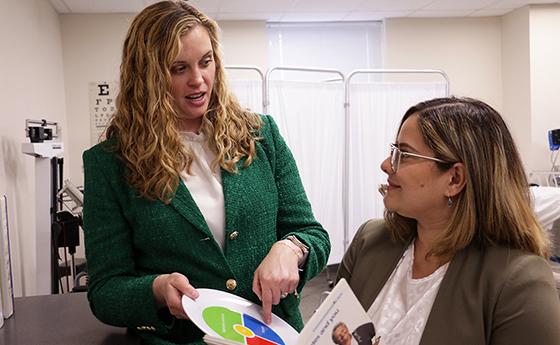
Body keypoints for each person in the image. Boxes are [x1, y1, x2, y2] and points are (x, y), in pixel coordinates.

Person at [81, 1, 330, 344]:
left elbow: (311, 233)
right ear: (147, 75)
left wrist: (290, 249)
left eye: (206, 61)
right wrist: (156, 288)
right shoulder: (110, 163)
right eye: (178, 68)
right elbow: (106, 292)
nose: (198, 80)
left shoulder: (261, 135)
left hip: (273, 334)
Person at [337, 97, 560, 345]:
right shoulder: (369, 241)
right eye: (393, 151)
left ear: (454, 179)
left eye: (405, 154)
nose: (387, 164)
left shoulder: (518, 283)